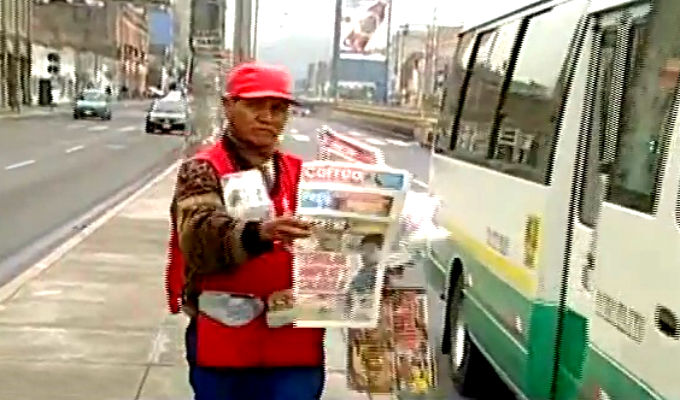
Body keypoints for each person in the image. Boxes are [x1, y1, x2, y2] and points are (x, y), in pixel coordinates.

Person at [165, 62, 326, 400]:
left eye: (277, 109)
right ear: (229, 106)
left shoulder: (304, 174)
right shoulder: (203, 169)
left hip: (294, 343)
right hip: (224, 341)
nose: (267, 117)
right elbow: (198, 238)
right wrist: (259, 234)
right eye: (255, 106)